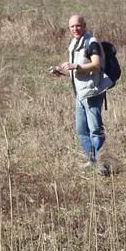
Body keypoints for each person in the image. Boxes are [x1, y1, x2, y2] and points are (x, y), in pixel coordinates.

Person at [50, 14, 112, 175]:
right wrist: (61, 72)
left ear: (84, 26)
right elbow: (77, 71)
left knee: (95, 129)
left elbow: (96, 65)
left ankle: (102, 164)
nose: (75, 29)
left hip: (92, 92)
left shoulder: (91, 43)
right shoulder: (74, 43)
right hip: (79, 94)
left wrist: (75, 66)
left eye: (78, 25)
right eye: (72, 26)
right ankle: (93, 160)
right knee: (81, 130)